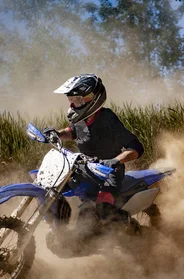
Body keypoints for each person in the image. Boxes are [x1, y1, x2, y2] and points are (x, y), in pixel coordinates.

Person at [45, 74, 144, 223]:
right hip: (86, 168)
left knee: (104, 211)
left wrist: (115, 161)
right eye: (71, 100)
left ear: (93, 98)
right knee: (57, 191)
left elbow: (136, 147)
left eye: (78, 100)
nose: (73, 104)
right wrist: (57, 134)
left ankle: (130, 227)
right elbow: (72, 132)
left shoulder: (107, 118)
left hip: (109, 172)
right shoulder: (81, 119)